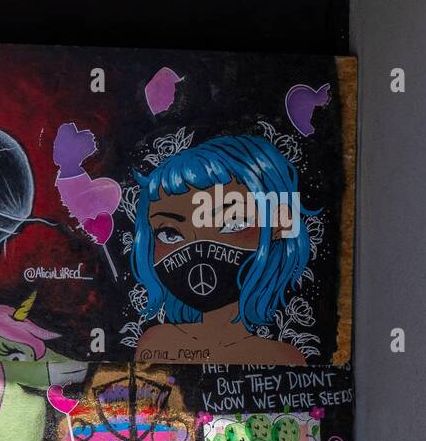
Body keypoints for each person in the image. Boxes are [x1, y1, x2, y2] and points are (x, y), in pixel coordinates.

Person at [130, 134, 314, 364]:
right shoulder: (157, 344)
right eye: (170, 233)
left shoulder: (284, 358)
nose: (198, 248)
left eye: (233, 222)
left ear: (279, 223)